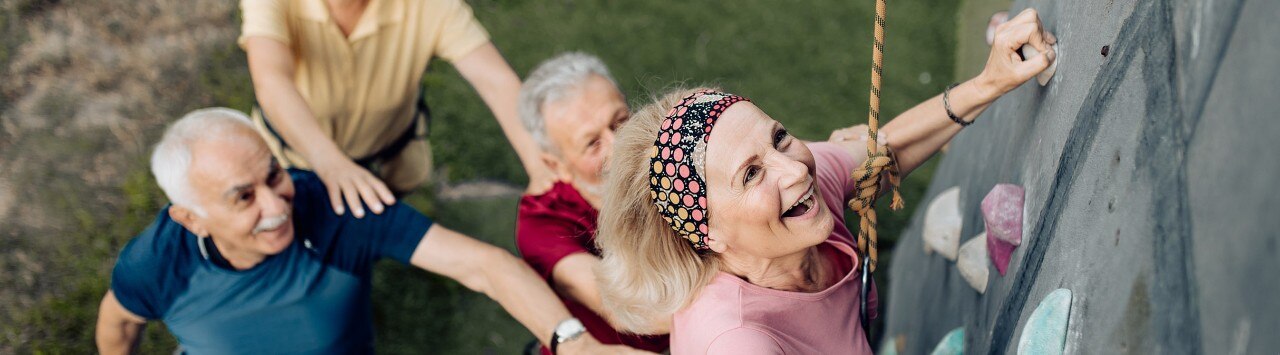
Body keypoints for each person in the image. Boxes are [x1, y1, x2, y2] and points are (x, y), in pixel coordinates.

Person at [594, 9, 1057, 354]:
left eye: (778, 137)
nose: (796, 169)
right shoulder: (738, 341)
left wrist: (991, 81)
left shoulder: (797, 191)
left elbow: (887, 153)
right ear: (706, 232)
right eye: (751, 174)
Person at [94, 108, 641, 354]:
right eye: (243, 197)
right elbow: (118, 325)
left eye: (274, 174)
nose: (277, 204)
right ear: (190, 218)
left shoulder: (333, 206)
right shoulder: (155, 262)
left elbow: (485, 266)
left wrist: (577, 346)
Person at [239, 0, 553, 221]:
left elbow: (497, 82)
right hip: (295, 158)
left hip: (392, 150)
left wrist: (539, 167)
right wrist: (330, 162)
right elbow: (272, 80)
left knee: (383, 213)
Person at [515, 52, 668, 354]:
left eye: (621, 121)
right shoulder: (542, 223)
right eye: (592, 143)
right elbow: (627, 308)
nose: (619, 146)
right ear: (556, 165)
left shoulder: (664, 151)